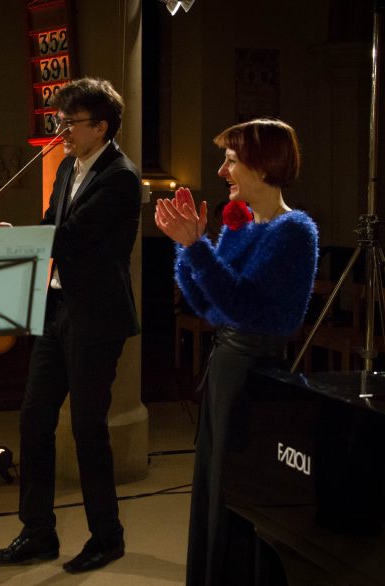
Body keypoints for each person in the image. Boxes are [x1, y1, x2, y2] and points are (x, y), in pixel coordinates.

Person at [0, 77, 141, 574]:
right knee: (34, 418)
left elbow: (70, 237)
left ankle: (107, 537)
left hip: (96, 316)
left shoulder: (120, 177)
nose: (62, 131)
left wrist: (20, 240)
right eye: (60, 121)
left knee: (89, 429)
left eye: (71, 122)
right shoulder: (69, 166)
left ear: (102, 127)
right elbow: (52, 221)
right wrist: (19, 236)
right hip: (57, 309)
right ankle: (38, 532)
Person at [154, 118, 318, 585]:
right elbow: (207, 305)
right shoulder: (241, 223)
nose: (222, 171)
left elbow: (243, 306)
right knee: (214, 485)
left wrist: (197, 248)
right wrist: (189, 247)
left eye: (230, 160)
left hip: (256, 376)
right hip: (227, 366)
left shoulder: (295, 231)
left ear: (262, 165)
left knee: (243, 495)